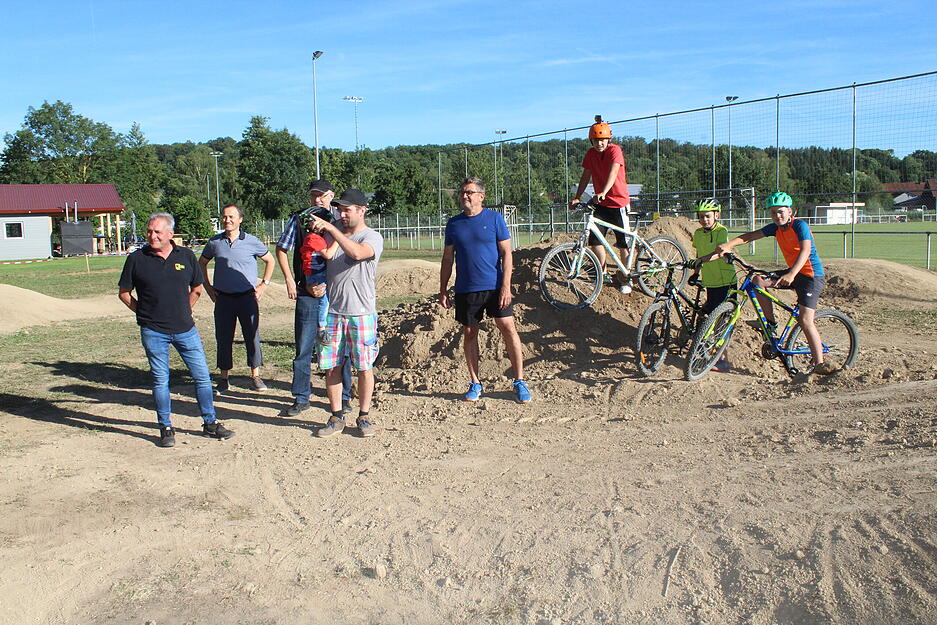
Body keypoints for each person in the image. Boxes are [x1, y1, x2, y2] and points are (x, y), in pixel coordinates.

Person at [118, 212, 235, 448]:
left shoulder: (187, 256)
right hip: (153, 332)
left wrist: (184, 310)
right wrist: (143, 314)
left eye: (157, 232)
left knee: (202, 377)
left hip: (185, 330)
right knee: (161, 380)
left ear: (170, 234)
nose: (152, 236)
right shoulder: (136, 259)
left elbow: (197, 288)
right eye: (149, 231)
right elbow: (124, 293)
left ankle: (210, 422)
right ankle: (166, 427)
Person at [715, 191, 836, 375]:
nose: (777, 216)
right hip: (793, 272)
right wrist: (729, 245)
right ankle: (770, 323)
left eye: (781, 211)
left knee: (805, 320)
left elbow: (805, 250)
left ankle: (820, 363)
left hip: (810, 276)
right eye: (773, 212)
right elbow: (749, 236)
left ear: (790, 211)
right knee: (757, 281)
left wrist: (792, 273)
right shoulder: (776, 228)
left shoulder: (800, 225)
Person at [439, 177, 531, 404]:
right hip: (466, 289)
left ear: (481, 196)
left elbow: (507, 254)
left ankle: (519, 381)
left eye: (469, 192)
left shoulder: (494, 218)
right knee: (470, 333)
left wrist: (506, 287)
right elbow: (448, 258)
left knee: (508, 327)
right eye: (462, 192)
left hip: (494, 286)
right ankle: (475, 383)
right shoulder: (454, 223)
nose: (465, 196)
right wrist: (442, 289)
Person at [307, 188, 384, 438]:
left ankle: (363, 416)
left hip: (361, 313)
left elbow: (357, 253)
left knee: (364, 367)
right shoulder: (333, 236)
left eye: (347, 209)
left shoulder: (372, 237)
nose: (342, 213)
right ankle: (336, 415)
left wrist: (331, 229)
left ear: (362, 211)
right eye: (339, 209)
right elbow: (323, 260)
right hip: (334, 313)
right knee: (332, 367)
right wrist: (316, 282)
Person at [275, 180, 353, 417]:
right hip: (307, 293)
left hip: (337, 294)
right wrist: (290, 279)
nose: (317, 199)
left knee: (342, 348)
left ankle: (346, 396)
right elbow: (281, 248)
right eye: (313, 195)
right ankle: (301, 397)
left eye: (321, 196)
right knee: (304, 348)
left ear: (331, 196)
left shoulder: (340, 221)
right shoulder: (299, 219)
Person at [199, 204, 275, 393]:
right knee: (223, 338)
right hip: (223, 299)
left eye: (231, 217)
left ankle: (255, 375)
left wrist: (263, 284)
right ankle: (224, 378)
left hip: (247, 298)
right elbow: (201, 263)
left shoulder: (252, 242)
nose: (227, 220)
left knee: (252, 336)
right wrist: (208, 287)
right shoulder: (215, 242)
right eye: (225, 217)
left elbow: (270, 260)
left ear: (240, 219)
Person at [570, 115, 633, 294]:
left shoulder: (615, 150)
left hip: (618, 203)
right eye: (596, 141)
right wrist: (577, 197)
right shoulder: (591, 154)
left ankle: (626, 277)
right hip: (601, 204)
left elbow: (613, 172)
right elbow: (586, 175)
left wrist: (604, 192)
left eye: (602, 140)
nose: (599, 144)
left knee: (623, 244)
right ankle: (603, 271)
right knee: (595, 240)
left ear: (608, 139)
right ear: (592, 141)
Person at [689, 199, 737, 372]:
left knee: (722, 322)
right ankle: (708, 352)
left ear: (716, 215)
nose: (704, 220)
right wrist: (695, 273)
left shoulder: (721, 231)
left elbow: (719, 252)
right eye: (701, 217)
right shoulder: (698, 233)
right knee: (708, 316)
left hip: (726, 281)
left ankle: (723, 360)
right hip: (711, 281)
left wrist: (700, 260)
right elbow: (698, 254)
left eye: (708, 216)